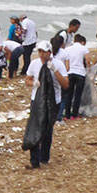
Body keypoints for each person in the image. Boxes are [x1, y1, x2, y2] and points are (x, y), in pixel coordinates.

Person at [25, 40, 69, 168]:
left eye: (44, 51)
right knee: (34, 127)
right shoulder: (34, 64)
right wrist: (34, 83)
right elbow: (27, 79)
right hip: (37, 100)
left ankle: (44, 157)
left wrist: (55, 71)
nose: (42, 54)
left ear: (50, 52)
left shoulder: (58, 64)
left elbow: (65, 84)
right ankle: (34, 160)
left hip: (53, 101)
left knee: (47, 129)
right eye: (40, 51)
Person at [60, 34, 88, 120]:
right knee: (78, 95)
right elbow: (88, 60)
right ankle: (74, 115)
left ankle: (67, 114)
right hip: (80, 73)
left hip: (70, 72)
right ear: (82, 42)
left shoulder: (67, 49)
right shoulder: (84, 48)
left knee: (69, 94)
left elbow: (65, 61)